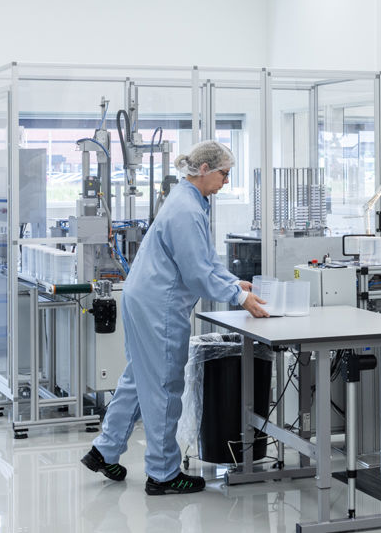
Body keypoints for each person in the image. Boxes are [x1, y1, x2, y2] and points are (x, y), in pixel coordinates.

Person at [82, 140, 269, 495]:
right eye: (224, 174)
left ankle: (104, 450)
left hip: (144, 296)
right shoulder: (187, 209)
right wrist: (240, 297)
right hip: (160, 304)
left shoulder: (188, 200)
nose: (226, 182)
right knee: (166, 386)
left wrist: (232, 281)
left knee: (139, 376)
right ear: (204, 170)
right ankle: (163, 474)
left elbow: (204, 259)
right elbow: (197, 272)